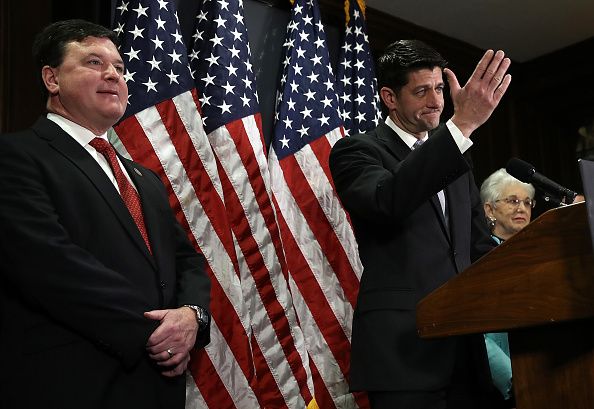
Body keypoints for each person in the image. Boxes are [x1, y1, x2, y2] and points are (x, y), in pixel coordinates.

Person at [0, 20, 211, 409]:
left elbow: (187, 261)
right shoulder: (16, 156)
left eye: (119, 67)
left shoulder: (143, 178)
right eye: (94, 63)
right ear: (52, 79)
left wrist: (190, 316)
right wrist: (153, 331)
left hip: (157, 386)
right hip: (73, 383)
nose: (113, 74)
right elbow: (47, 263)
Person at [329, 39, 511, 408]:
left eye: (440, 88)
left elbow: (477, 248)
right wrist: (461, 126)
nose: (437, 101)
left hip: (465, 352)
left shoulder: (455, 158)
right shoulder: (358, 151)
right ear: (390, 98)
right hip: (404, 354)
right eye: (422, 91)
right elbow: (387, 200)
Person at [479, 168, 535, 408]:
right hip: (503, 387)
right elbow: (474, 330)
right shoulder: (478, 258)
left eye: (527, 202)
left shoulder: (542, 255)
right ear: (489, 209)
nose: (521, 208)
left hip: (546, 376)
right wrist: (512, 379)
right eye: (513, 201)